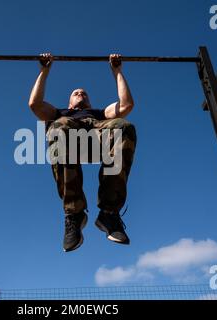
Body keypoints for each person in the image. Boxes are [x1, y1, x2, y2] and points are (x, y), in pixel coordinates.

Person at [28, 53, 137, 252]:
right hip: (69, 144)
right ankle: (75, 213)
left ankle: (109, 213)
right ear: (69, 102)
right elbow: (35, 104)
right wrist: (44, 70)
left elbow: (127, 104)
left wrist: (117, 71)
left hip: (98, 140)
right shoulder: (60, 114)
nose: (81, 93)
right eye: (76, 92)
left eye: (84, 93)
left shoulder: (100, 114)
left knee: (124, 126)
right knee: (58, 127)